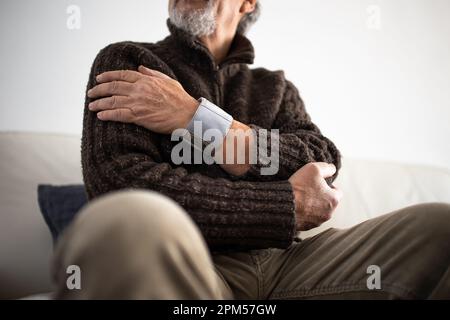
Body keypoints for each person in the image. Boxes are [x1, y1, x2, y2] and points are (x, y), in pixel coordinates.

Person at [53, 0, 450, 299]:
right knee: (133, 215)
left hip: (290, 266)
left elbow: (320, 159)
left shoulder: (274, 88)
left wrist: (195, 118)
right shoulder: (131, 62)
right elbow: (122, 186)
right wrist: (284, 205)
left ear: (247, 2)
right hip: (190, 268)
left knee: (440, 227)